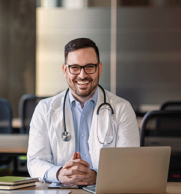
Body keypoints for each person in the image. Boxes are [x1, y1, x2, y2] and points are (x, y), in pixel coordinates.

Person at [27, 38, 139, 186]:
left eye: (89, 67)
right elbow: (35, 161)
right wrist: (60, 173)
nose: (82, 75)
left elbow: (129, 163)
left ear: (99, 69)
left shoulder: (122, 109)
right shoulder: (45, 109)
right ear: (65, 70)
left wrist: (99, 177)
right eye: (75, 67)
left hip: (104, 193)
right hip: (59, 192)